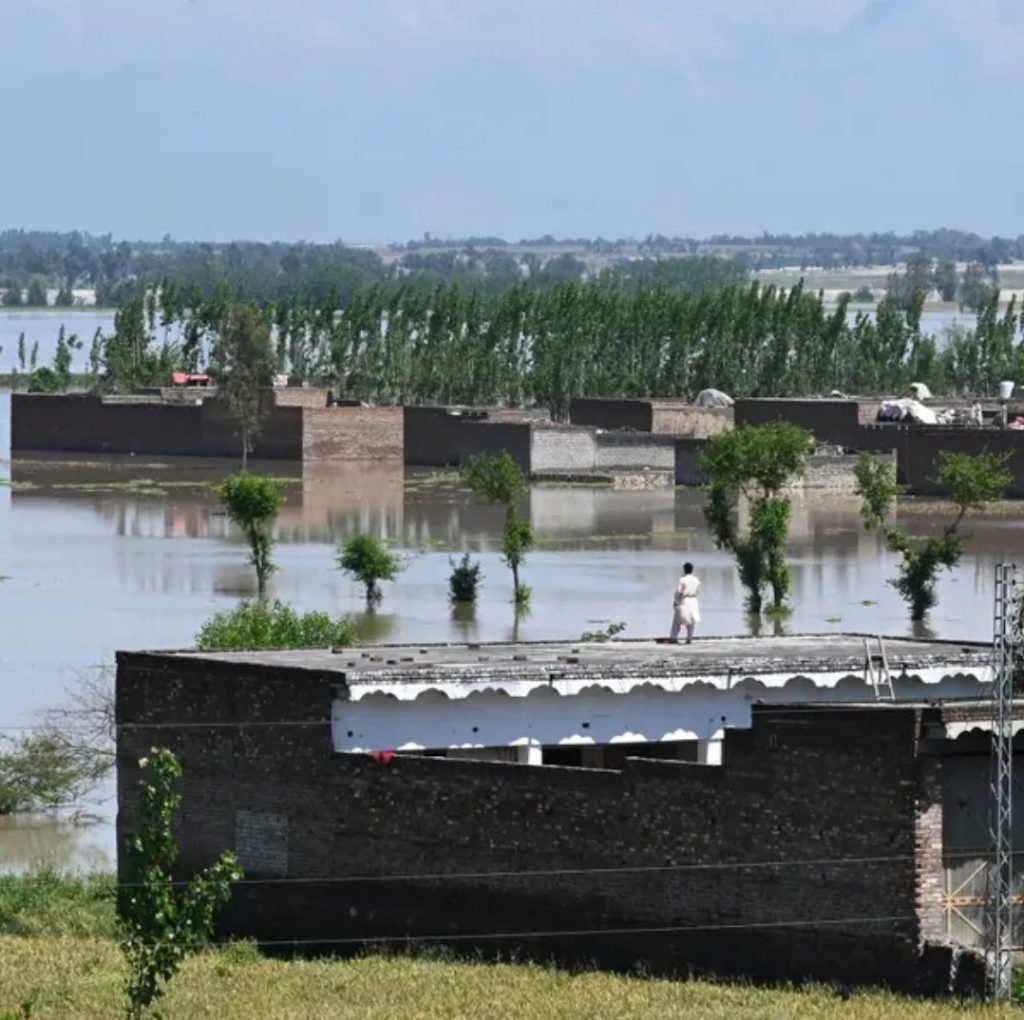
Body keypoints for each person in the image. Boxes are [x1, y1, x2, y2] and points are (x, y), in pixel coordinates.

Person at [670, 562, 701, 644]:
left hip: (684, 600)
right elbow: (698, 591)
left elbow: (678, 591)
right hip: (693, 600)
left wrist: (676, 601)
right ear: (692, 570)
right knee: (691, 620)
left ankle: (673, 637)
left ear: (684, 570)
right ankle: (689, 638)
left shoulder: (682, 580)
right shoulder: (696, 580)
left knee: (677, 620)